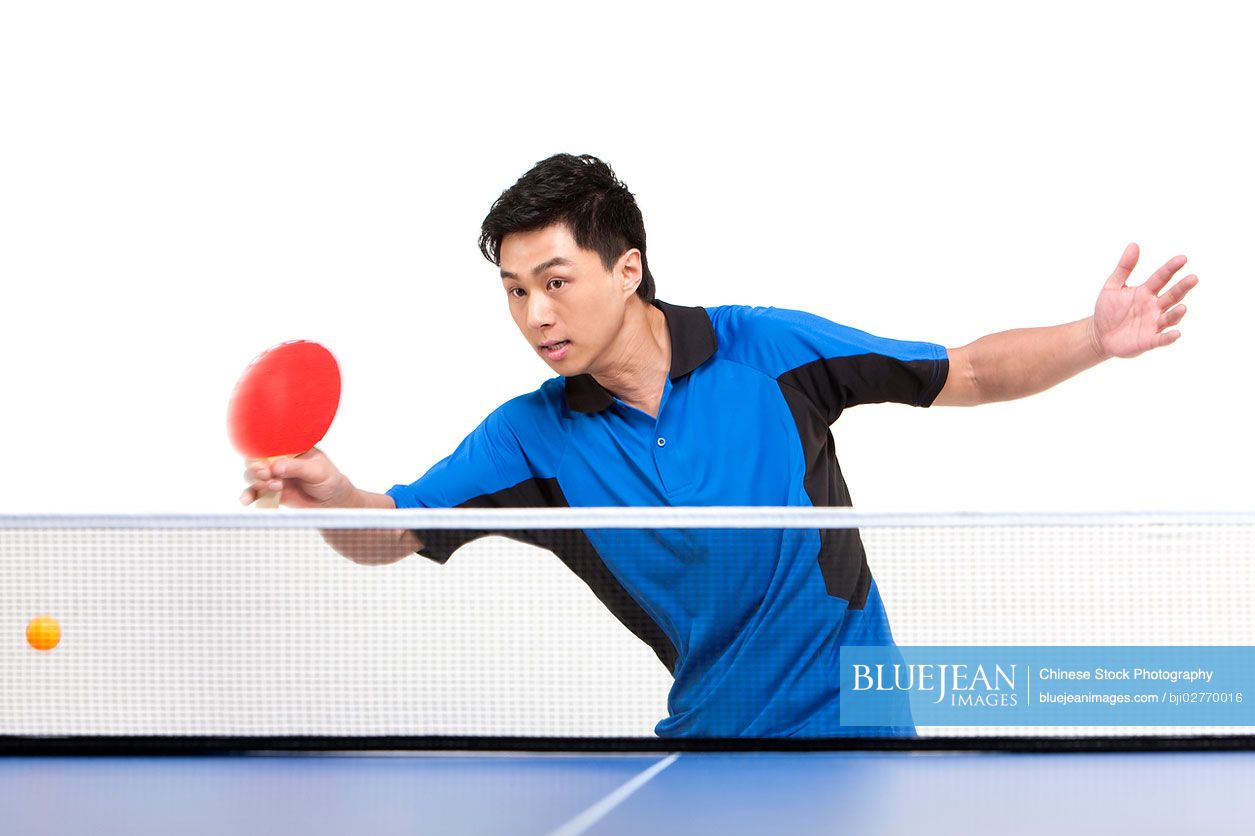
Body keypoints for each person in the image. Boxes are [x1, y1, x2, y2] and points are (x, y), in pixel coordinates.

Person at [241, 153, 1198, 737]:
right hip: (711, 748)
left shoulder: (766, 353)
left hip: (863, 734)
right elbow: (398, 530)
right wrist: (335, 497)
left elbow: (970, 371)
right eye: (514, 291)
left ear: (628, 269)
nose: (535, 315)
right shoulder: (531, 440)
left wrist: (1093, 337)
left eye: (556, 281)